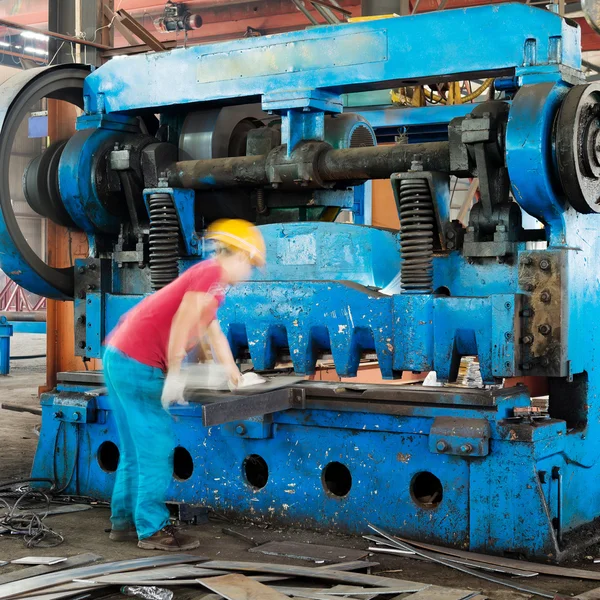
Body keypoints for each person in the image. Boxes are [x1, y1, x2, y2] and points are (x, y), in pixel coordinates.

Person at [102, 219, 266, 551]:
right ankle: (152, 530)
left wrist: (235, 376)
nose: (248, 272)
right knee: (156, 449)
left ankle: (122, 524)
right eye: (249, 264)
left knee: (135, 450)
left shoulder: (213, 285)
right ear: (236, 256)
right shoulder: (210, 273)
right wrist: (176, 370)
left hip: (118, 356)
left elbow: (212, 330)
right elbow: (183, 318)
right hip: (139, 364)